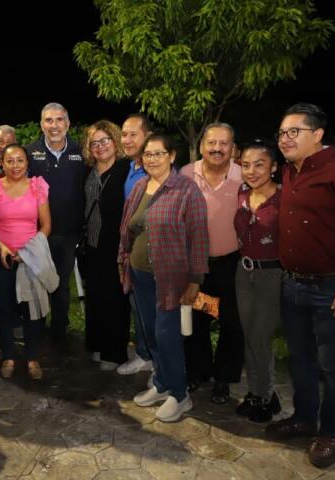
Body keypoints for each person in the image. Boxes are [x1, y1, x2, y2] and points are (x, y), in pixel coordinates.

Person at [265, 103, 335, 469]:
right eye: (281, 133)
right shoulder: (288, 173)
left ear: (317, 135)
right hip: (293, 285)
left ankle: (330, 432)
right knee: (300, 360)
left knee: (333, 366)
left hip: (332, 288)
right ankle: (303, 419)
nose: (285, 138)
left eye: (293, 132)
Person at [118, 133, 209, 422]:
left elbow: (199, 237)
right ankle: (161, 383)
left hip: (170, 278)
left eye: (159, 154)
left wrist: (195, 280)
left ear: (172, 156)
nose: (152, 159)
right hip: (140, 274)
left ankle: (180, 395)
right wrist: (124, 260)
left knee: (167, 336)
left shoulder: (186, 190)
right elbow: (128, 227)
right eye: (147, 154)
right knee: (150, 333)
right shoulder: (141, 186)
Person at [180, 122, 244, 405]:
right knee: (199, 317)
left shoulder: (244, 175)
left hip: (232, 264)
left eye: (224, 143)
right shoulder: (186, 173)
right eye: (212, 143)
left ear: (233, 148)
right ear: (201, 145)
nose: (217, 148)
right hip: (198, 264)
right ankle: (198, 371)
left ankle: (224, 379)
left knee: (231, 321)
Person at [0, 145, 52, 380]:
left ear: (27, 163)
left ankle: (33, 356)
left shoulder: (37, 187)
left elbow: (46, 225)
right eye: (10, 161)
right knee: (3, 308)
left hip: (31, 258)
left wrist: (28, 251)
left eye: (20, 160)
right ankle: (8, 356)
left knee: (33, 310)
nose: (15, 165)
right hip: (2, 258)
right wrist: (2, 247)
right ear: (2, 163)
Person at [233, 139, 283, 423]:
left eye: (260, 164)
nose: (251, 171)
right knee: (248, 336)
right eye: (246, 165)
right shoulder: (242, 193)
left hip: (271, 275)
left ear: (274, 167)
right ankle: (258, 392)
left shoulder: (284, 199)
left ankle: (264, 396)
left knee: (260, 337)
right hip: (244, 271)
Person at [26, 102, 85, 342]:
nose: (54, 125)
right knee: (37, 282)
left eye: (59, 120)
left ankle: (59, 332)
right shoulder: (30, 152)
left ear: (68, 124)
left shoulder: (82, 152)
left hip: (70, 232)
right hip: (38, 232)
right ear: (41, 125)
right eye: (48, 120)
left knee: (61, 285)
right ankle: (36, 330)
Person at [81, 120, 131, 371]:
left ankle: (115, 352)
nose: (100, 147)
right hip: (92, 245)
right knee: (96, 297)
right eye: (94, 143)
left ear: (115, 142)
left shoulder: (126, 170)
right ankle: (98, 345)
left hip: (116, 246)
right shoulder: (88, 172)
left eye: (105, 140)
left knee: (115, 299)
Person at [116, 113, 154, 376]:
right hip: (132, 252)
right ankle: (144, 354)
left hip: (153, 256)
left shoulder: (157, 170)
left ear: (148, 137)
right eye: (124, 134)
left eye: (133, 134)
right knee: (137, 306)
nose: (126, 140)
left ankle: (161, 366)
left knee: (155, 312)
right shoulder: (129, 167)